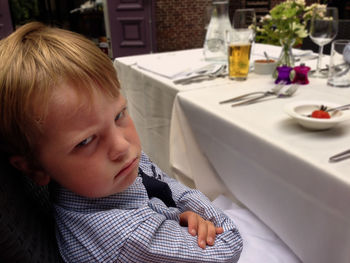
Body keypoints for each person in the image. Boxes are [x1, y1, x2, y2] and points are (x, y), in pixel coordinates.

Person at [0, 22, 243, 262]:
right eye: (85, 141)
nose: (121, 146)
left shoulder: (97, 175)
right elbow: (230, 243)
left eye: (119, 115)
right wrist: (198, 207)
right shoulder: (128, 238)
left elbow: (156, 177)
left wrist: (181, 212)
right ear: (34, 168)